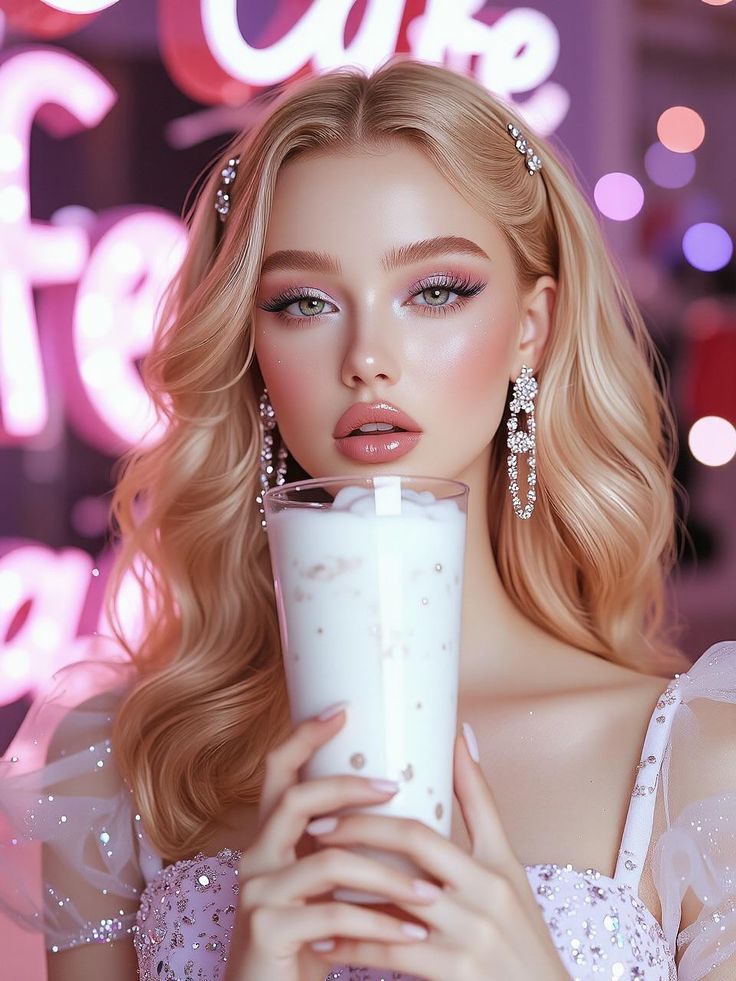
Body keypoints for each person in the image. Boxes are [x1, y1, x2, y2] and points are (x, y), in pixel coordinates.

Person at [1, 56, 735, 981]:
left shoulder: (699, 768)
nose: (368, 359)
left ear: (531, 326)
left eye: (436, 290)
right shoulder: (124, 764)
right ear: (253, 345)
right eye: (303, 302)